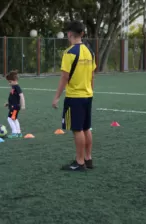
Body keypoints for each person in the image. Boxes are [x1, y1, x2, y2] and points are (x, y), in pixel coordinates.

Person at [52, 21, 96, 171]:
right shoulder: (90, 52)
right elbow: (92, 76)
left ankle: (79, 162)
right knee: (86, 128)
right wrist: (91, 91)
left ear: (69, 34)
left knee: (77, 129)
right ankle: (88, 159)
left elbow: (64, 77)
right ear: (82, 34)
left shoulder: (69, 53)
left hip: (74, 97)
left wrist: (57, 96)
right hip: (88, 95)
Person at [5, 70, 26, 138]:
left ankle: (14, 133)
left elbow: (21, 96)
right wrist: (8, 103)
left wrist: (23, 105)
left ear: (14, 80)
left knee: (10, 119)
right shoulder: (13, 87)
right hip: (13, 106)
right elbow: (13, 97)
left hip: (14, 107)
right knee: (14, 118)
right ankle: (19, 133)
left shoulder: (17, 87)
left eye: (10, 82)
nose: (9, 83)